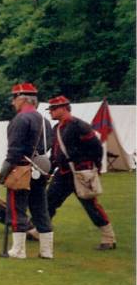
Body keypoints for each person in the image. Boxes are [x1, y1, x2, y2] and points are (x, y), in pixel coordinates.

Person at [44, 95, 117, 250]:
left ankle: (109, 238)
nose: (51, 112)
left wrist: (94, 167)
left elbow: (96, 147)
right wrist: (49, 170)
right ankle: (41, 230)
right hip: (63, 173)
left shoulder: (79, 125)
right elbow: (55, 154)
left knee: (91, 205)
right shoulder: (56, 128)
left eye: (53, 109)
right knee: (49, 201)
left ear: (64, 108)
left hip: (80, 172)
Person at [0, 82, 54, 259]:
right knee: (40, 208)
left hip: (22, 168)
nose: (13, 103)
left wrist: (3, 173)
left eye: (14, 99)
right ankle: (46, 251)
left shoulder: (21, 119)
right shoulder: (45, 121)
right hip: (41, 166)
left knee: (17, 208)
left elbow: (14, 151)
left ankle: (18, 250)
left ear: (21, 99)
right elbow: (48, 145)